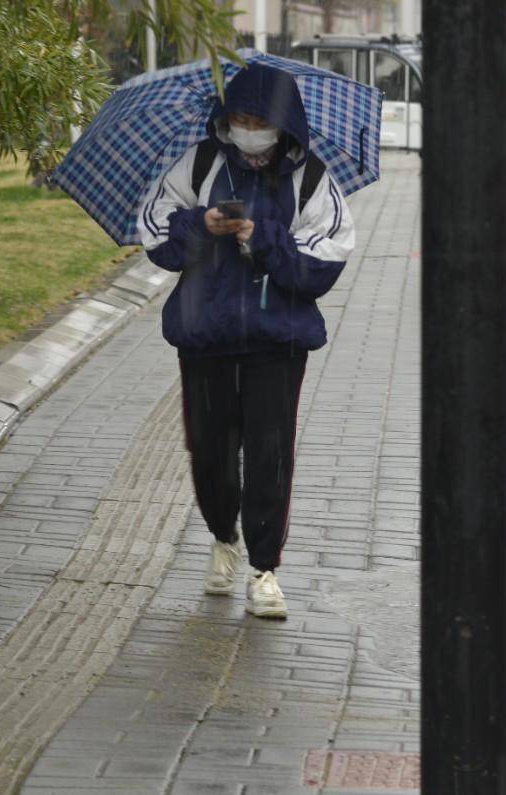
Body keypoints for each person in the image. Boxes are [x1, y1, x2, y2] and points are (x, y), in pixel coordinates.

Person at [139, 63, 354, 619]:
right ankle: (222, 540)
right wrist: (199, 225)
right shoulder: (201, 164)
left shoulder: (311, 180)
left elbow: (320, 266)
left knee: (268, 455)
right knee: (209, 452)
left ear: (282, 123)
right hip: (204, 337)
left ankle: (265, 570)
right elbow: (157, 233)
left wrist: (263, 239)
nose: (247, 128)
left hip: (275, 343)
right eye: (238, 117)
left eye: (258, 119)